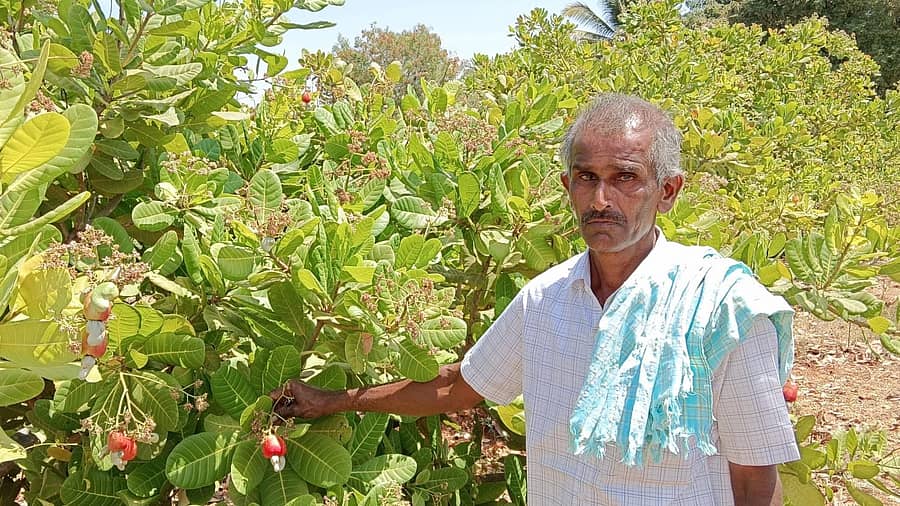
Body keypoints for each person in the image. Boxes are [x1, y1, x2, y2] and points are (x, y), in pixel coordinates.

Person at [271, 93, 799, 505]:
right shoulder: (545, 298)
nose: (601, 200)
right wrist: (336, 400)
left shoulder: (726, 309)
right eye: (587, 178)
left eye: (625, 179)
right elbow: (461, 387)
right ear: (567, 184)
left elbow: (755, 478)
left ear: (669, 190)